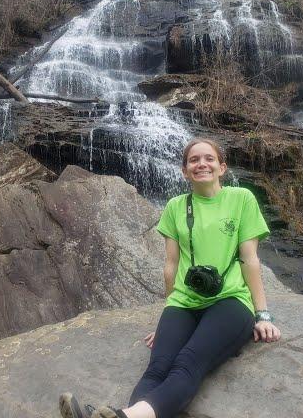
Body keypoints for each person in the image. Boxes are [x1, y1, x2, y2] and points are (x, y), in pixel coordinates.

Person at [59, 137, 281, 418]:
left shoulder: (241, 199)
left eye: (209, 159)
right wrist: (167, 318)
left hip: (231, 300)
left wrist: (263, 315)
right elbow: (171, 265)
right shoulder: (176, 206)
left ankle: (123, 416)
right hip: (183, 303)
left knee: (187, 363)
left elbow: (250, 260)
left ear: (222, 167)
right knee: (157, 368)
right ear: (184, 171)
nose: (202, 164)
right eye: (194, 160)